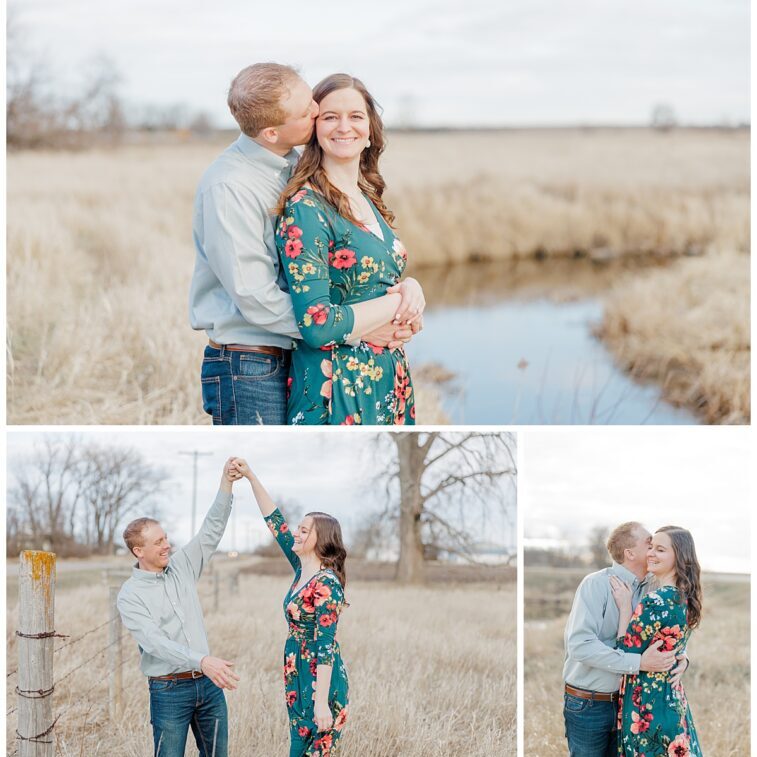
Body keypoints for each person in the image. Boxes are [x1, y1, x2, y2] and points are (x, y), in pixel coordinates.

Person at [190, 63, 416, 425]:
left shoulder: (291, 164)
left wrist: (405, 294)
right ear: (271, 132)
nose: (317, 110)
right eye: (309, 111)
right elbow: (255, 297)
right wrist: (352, 328)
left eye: (311, 99)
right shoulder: (230, 187)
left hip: (292, 352)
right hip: (249, 363)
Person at [274, 73, 425, 425]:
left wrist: (411, 295)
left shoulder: (368, 198)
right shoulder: (306, 207)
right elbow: (316, 323)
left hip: (386, 378)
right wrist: (397, 303)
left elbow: (378, 284)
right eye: (330, 117)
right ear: (314, 128)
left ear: (370, 129)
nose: (344, 127)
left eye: (355, 116)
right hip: (336, 386)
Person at [117, 459, 242, 757]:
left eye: (166, 538)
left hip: (209, 687)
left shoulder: (182, 567)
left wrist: (226, 482)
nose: (167, 545)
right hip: (169, 691)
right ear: (139, 551)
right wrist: (202, 660)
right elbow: (155, 643)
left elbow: (211, 531)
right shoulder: (129, 596)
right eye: (159, 542)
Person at [232, 458, 349, 755]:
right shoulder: (302, 569)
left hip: (320, 680)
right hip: (295, 670)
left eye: (304, 531)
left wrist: (321, 702)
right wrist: (250, 476)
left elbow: (325, 645)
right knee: (296, 746)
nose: (296, 533)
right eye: (298, 529)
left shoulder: (327, 585)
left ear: (320, 539)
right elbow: (275, 522)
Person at [563, 522, 689, 757]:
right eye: (649, 544)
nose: (653, 550)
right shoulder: (596, 584)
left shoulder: (654, 587)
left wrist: (681, 657)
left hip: (629, 705)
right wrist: (638, 663)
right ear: (630, 554)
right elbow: (580, 646)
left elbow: (667, 630)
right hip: (590, 704)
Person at [610, 526, 703, 756]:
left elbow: (624, 651)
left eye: (660, 549)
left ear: (679, 558)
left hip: (646, 705)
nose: (651, 553)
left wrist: (624, 608)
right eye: (650, 547)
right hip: (673, 699)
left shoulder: (655, 601)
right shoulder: (686, 599)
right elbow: (675, 647)